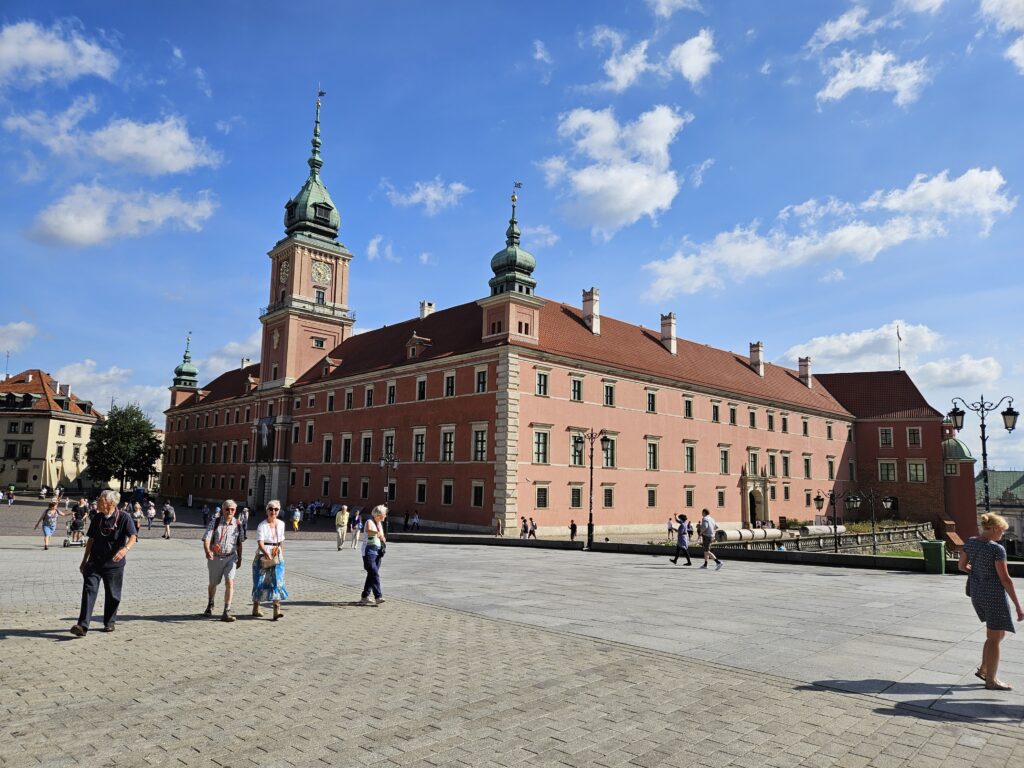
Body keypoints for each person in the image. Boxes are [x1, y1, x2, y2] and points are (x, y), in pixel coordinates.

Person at [959, 512, 1024, 691]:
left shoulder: (970, 542)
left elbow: (961, 566)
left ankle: (984, 669)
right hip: (993, 595)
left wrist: (978, 572)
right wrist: (1019, 606)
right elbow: (1005, 579)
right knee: (994, 637)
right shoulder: (996, 549)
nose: (1002, 534)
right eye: (1002, 531)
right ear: (994, 529)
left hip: (977, 593)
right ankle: (991, 681)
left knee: (997, 634)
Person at [70, 490, 137, 636]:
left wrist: (125, 549)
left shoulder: (124, 517)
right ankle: (82, 626)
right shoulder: (97, 517)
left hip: (114, 564)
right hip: (94, 562)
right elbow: (91, 540)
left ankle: (109, 621)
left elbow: (133, 536)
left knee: (113, 594)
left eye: (100, 500)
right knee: (89, 591)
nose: (97, 502)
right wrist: (84, 560)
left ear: (110, 503)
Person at [202, 499, 244, 622]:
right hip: (215, 557)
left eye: (232, 509)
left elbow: (240, 543)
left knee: (230, 582)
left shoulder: (238, 524)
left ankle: (226, 611)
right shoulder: (214, 522)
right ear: (222, 509)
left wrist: (240, 557)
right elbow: (207, 539)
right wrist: (207, 551)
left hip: (231, 557)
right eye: (227, 509)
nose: (230, 511)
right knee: (213, 583)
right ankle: (210, 603)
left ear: (235, 510)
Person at [252, 500, 288, 620]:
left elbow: (281, 540)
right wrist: (266, 553)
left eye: (276, 509)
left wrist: (281, 554)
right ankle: (256, 607)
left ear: (279, 511)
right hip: (263, 555)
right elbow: (260, 542)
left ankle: (276, 611)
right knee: (260, 581)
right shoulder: (262, 525)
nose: (273, 511)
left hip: (276, 554)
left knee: (277, 581)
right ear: (267, 510)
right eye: (271, 509)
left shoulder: (281, 524)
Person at [359, 505, 388, 606]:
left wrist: (382, 537)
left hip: (378, 551)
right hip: (369, 551)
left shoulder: (379, 524)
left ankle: (364, 596)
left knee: (371, 574)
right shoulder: (369, 522)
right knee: (374, 573)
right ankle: (378, 596)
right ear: (379, 514)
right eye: (384, 514)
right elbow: (369, 531)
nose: (385, 515)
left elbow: (382, 536)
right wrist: (378, 534)